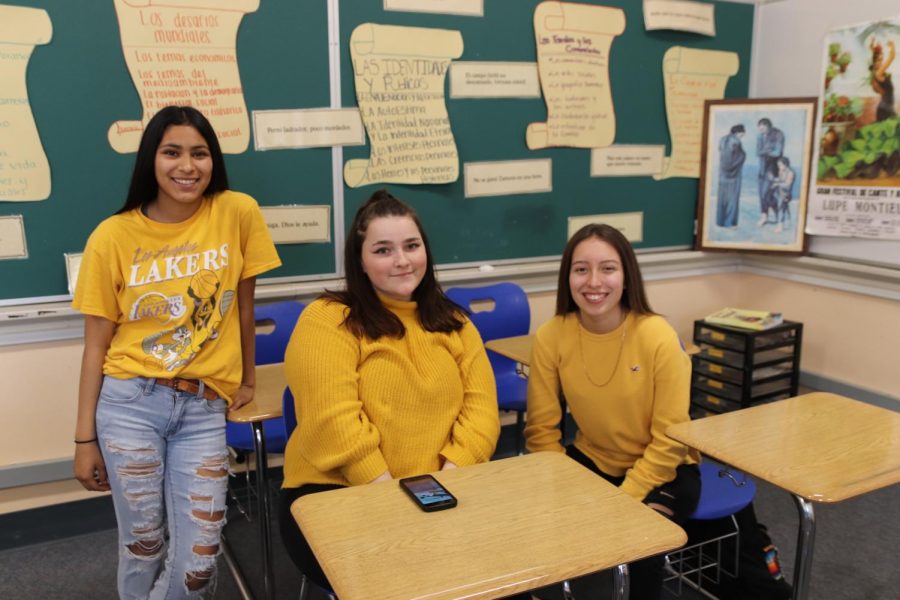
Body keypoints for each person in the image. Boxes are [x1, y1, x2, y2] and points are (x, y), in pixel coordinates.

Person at [72, 106, 281, 599]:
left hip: (204, 407)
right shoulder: (113, 235)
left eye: (199, 153)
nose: (187, 166)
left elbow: (243, 311)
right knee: (143, 544)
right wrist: (84, 440)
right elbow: (96, 345)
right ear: (151, 159)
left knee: (200, 559)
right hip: (129, 404)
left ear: (213, 161)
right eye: (172, 152)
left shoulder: (237, 212)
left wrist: (246, 379)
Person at [278, 189, 501, 591]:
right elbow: (334, 422)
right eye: (383, 250)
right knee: (416, 577)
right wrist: (399, 504)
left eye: (411, 246)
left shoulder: (454, 321)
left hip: (441, 489)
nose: (402, 260)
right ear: (360, 262)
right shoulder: (328, 319)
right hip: (338, 494)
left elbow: (481, 413)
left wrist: (447, 487)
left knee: (506, 570)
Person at [525, 223, 701, 600]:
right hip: (590, 460)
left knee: (641, 549)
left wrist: (626, 496)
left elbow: (672, 437)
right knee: (529, 525)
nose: (594, 282)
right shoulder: (551, 335)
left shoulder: (657, 335)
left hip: (665, 470)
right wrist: (562, 487)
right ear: (567, 276)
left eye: (608, 268)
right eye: (581, 269)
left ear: (626, 276)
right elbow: (541, 431)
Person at [716, 124, 747, 228]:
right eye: (742, 134)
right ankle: (730, 223)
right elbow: (739, 157)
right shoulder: (736, 142)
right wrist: (743, 156)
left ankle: (720, 221)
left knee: (722, 198)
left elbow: (722, 155)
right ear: (738, 132)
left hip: (722, 173)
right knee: (732, 199)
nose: (742, 136)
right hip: (734, 174)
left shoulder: (722, 139)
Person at [756, 118, 784, 227]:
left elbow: (778, 152)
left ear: (768, 126)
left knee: (766, 193)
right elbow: (758, 152)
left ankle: (776, 213)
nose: (760, 130)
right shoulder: (760, 136)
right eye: (759, 128)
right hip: (762, 168)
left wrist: (765, 151)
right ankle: (765, 215)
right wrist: (767, 151)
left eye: (762, 128)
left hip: (773, 168)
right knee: (762, 193)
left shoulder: (778, 134)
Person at [870, 38, 896, 122]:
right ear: (874, 62)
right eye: (879, 60)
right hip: (885, 110)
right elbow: (892, 56)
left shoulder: (878, 73)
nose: (881, 63)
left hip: (887, 109)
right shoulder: (878, 73)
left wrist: (872, 48)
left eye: (882, 59)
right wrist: (892, 46)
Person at [770, 156, 795, 233]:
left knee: (781, 208)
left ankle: (780, 226)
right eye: (778, 166)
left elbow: (787, 185)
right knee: (782, 208)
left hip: (786, 194)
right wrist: (774, 179)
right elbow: (780, 180)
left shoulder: (791, 173)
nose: (779, 167)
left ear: (785, 164)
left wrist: (777, 184)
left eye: (780, 165)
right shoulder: (781, 171)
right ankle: (786, 222)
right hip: (780, 193)